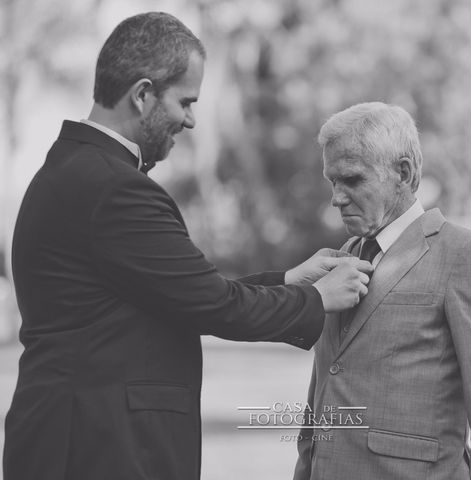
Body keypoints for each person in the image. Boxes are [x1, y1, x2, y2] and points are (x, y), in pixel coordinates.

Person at [3, 12, 372, 480]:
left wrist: (285, 281)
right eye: (185, 102)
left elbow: (173, 294)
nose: (192, 120)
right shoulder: (114, 188)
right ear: (142, 94)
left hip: (67, 439)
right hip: (101, 448)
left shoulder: (73, 170)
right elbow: (214, 305)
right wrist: (316, 299)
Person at [293, 102, 471, 480]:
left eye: (352, 180)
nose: (336, 198)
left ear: (402, 173)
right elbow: (326, 382)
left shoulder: (464, 255)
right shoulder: (341, 260)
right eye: (332, 182)